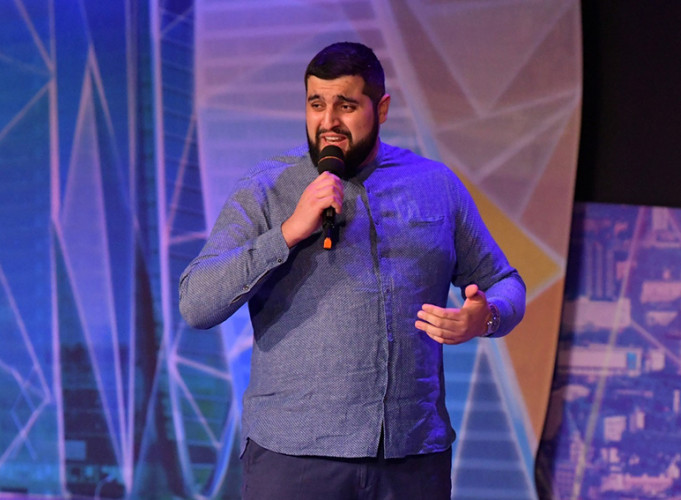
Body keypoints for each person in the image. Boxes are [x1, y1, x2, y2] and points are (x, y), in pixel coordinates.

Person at [179, 41, 526, 499]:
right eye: (316, 104)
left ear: (381, 108)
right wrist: (287, 232)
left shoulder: (435, 185)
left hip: (412, 460)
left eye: (345, 106)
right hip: (295, 461)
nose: (328, 122)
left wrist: (487, 317)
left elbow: (505, 282)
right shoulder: (267, 188)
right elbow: (196, 303)